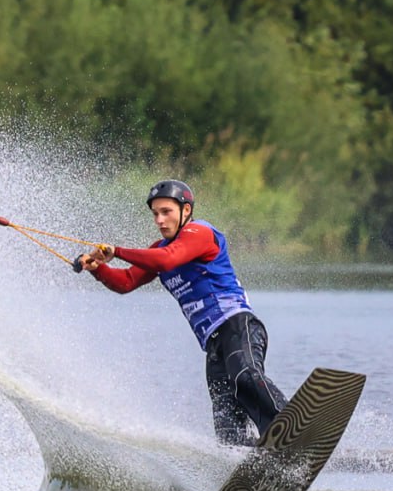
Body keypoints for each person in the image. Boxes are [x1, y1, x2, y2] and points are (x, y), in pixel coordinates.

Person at [76, 179, 288, 446]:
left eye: (167, 212)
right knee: (228, 430)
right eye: (155, 214)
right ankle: (252, 461)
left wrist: (117, 251)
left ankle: (288, 429)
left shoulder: (200, 232)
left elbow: (168, 260)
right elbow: (127, 281)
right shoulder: (158, 250)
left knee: (245, 378)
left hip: (237, 325)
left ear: (185, 210)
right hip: (213, 345)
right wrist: (97, 268)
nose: (160, 220)